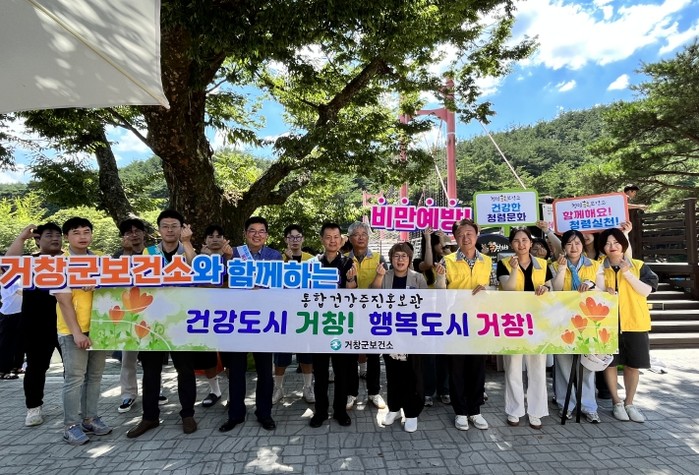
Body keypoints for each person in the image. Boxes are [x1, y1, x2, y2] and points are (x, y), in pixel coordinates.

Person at [127, 209, 198, 438]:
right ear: (158, 230)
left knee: (185, 369)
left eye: (174, 226)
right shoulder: (148, 253)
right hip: (152, 321)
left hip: (180, 320)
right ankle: (150, 417)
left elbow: (198, 271)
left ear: (182, 229)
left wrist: (187, 243)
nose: (169, 230)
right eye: (165, 226)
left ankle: (187, 414)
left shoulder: (187, 250)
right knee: (150, 371)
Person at [52, 217, 112, 445]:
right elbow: (63, 300)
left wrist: (100, 284)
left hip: (99, 328)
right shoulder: (59, 263)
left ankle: (90, 418)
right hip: (71, 331)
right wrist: (77, 333)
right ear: (67, 237)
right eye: (76, 232)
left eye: (86, 231)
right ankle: (70, 425)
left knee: (94, 376)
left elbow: (114, 291)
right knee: (74, 379)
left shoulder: (101, 260)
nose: (82, 236)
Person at [219, 216, 280, 432]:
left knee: (265, 371)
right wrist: (227, 259)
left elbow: (276, 286)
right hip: (237, 320)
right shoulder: (232, 253)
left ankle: (264, 413)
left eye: (261, 231)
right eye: (252, 230)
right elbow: (220, 284)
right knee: (236, 370)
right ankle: (235, 414)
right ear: (245, 234)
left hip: (264, 320)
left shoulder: (274, 255)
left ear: (266, 235)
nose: (257, 234)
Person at [434, 219, 491, 431]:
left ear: (476, 235)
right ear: (455, 238)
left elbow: (495, 287)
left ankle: (475, 410)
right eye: (460, 234)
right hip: (455, 322)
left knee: (477, 368)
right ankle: (460, 411)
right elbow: (440, 293)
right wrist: (440, 279)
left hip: (479, 322)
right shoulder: (447, 261)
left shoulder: (487, 261)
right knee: (456, 369)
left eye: (469, 233)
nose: (465, 238)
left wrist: (488, 290)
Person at [6, 223, 64, 427]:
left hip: (68, 323)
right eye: (49, 235)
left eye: (58, 235)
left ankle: (75, 406)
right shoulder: (29, 261)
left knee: (74, 368)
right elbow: (8, 264)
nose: (55, 238)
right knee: (36, 368)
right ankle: (33, 407)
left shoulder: (72, 261)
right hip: (36, 324)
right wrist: (22, 238)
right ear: (37, 240)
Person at [598, 228, 658, 423]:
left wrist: (628, 274)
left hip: (635, 323)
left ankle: (629, 403)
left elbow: (646, 291)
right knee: (610, 363)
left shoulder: (638, 266)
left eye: (616, 242)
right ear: (603, 248)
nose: (612, 246)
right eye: (607, 243)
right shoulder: (599, 267)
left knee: (633, 365)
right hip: (608, 325)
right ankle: (616, 402)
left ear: (623, 244)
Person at [497, 227, 553, 429]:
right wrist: (514, 269)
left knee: (537, 366)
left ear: (531, 243)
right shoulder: (503, 263)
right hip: (513, 321)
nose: (521, 244)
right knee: (513, 366)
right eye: (516, 241)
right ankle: (514, 410)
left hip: (538, 320)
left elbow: (551, 287)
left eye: (525, 240)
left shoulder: (544, 264)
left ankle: (536, 411)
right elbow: (509, 288)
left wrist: (546, 287)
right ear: (511, 244)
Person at [371, 242, 428, 433]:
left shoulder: (418, 278)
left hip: (412, 333)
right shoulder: (385, 276)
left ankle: (411, 413)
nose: (400, 259)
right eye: (396, 256)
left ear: (410, 259)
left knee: (413, 375)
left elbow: (426, 305)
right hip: (389, 332)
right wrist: (378, 276)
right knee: (393, 373)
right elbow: (371, 296)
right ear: (391, 259)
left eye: (404, 256)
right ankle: (394, 409)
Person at [309, 222, 358, 428]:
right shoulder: (312, 264)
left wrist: (350, 281)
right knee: (320, 372)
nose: (332, 240)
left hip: (340, 324)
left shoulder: (348, 263)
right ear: (322, 239)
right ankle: (320, 412)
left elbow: (353, 294)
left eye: (336, 237)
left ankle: (340, 411)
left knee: (342, 371)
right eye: (328, 237)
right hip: (318, 324)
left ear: (341, 240)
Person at [551, 230, 603, 423]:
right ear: (563, 246)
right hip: (562, 320)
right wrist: (562, 270)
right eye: (569, 244)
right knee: (563, 364)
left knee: (587, 364)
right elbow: (555, 289)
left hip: (588, 321)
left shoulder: (595, 265)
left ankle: (589, 406)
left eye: (577, 243)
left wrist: (591, 284)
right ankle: (566, 404)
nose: (573, 247)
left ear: (583, 245)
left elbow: (603, 290)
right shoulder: (554, 265)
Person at [345, 221, 386, 411]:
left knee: (373, 354)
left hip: (373, 314)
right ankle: (351, 393)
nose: (360, 237)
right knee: (350, 355)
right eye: (356, 234)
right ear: (350, 238)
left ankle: (374, 392)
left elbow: (384, 285)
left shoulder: (379, 258)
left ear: (368, 237)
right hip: (350, 315)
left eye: (364, 234)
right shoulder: (344, 260)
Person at [272, 224, 315, 405]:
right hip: (284, 315)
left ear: (303, 239)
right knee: (281, 356)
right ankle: (278, 388)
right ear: (286, 240)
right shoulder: (278, 260)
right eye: (291, 237)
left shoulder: (311, 260)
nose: (295, 240)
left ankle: (308, 387)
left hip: (305, 314)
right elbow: (275, 285)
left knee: (306, 354)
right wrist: (287, 263)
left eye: (298, 237)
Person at [196, 224, 232, 409]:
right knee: (207, 355)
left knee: (229, 356)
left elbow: (232, 284)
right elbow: (198, 285)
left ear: (225, 239)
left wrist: (227, 259)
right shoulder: (198, 260)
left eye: (219, 236)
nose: (215, 239)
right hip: (204, 314)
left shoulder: (233, 258)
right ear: (205, 240)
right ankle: (215, 391)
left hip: (229, 315)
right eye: (211, 236)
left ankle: (233, 393)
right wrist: (208, 259)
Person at [114, 218, 148, 414]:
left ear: (144, 233)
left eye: (137, 231)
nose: (133, 235)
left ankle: (156, 390)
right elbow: (118, 278)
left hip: (151, 308)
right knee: (128, 357)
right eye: (128, 232)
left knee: (154, 355)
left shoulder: (154, 253)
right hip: (128, 312)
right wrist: (127, 253)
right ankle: (128, 394)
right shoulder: (118, 256)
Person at [415, 227, 451, 406]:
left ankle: (444, 390)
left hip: (445, 312)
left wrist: (444, 241)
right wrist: (428, 239)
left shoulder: (448, 261)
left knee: (444, 353)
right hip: (426, 314)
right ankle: (429, 391)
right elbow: (428, 263)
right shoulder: (419, 263)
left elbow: (452, 256)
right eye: (439, 244)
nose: (442, 246)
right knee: (428, 355)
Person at [0, 272, 23, 379]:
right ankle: (3, 371)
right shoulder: (7, 278)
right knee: (7, 344)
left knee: (18, 342)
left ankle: (16, 366)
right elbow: (21, 292)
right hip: (9, 315)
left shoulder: (18, 277)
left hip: (18, 313)